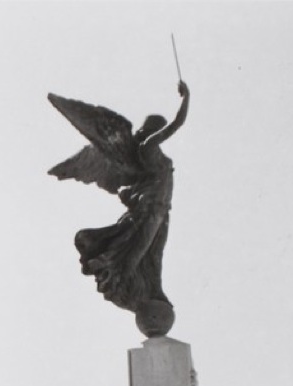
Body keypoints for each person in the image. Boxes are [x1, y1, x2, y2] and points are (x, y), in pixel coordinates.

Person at [48, 82, 191, 338]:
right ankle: (122, 281)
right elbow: (176, 125)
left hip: (160, 212)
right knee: (139, 254)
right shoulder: (147, 149)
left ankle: (151, 292)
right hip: (150, 212)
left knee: (153, 259)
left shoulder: (147, 156)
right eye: (155, 129)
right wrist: (186, 99)